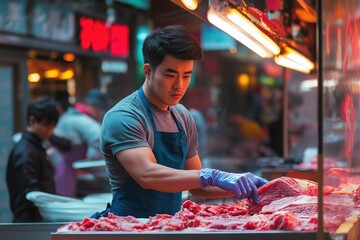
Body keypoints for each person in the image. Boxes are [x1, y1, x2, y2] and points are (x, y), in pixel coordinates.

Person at [99, 25, 268, 218]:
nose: (179, 85)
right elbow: (147, 174)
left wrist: (246, 185)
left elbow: (199, 188)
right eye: (170, 75)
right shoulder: (125, 116)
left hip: (170, 227)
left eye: (187, 75)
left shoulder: (182, 116)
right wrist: (213, 176)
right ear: (148, 71)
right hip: (129, 228)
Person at [6, 97, 60, 222]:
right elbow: (30, 195)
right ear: (32, 120)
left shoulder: (35, 147)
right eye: (46, 125)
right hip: (30, 223)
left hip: (36, 220)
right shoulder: (26, 151)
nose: (50, 131)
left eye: (53, 126)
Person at [53, 88, 106, 197]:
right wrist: (92, 159)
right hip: (66, 169)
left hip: (60, 167)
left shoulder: (68, 116)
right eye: (100, 109)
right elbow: (98, 137)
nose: (101, 114)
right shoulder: (82, 120)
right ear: (92, 105)